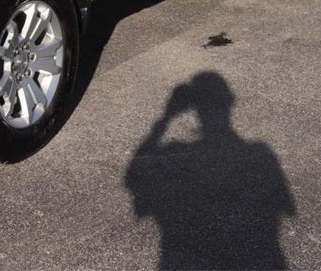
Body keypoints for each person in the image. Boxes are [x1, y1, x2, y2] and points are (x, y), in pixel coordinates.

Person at [125, 72, 296, 270]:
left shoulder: (176, 152)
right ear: (229, 102)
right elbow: (285, 207)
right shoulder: (262, 154)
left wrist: (166, 118)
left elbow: (134, 178)